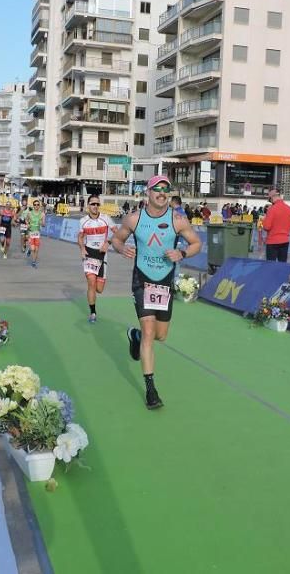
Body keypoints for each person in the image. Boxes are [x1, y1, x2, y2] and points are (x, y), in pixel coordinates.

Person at [111, 175, 202, 410]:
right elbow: (117, 239)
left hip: (164, 282)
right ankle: (151, 389)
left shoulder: (178, 220)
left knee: (160, 335)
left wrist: (182, 254)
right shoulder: (133, 219)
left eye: (166, 190)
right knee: (150, 331)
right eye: (157, 189)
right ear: (148, 193)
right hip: (141, 279)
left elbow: (196, 243)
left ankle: (136, 336)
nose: (162, 193)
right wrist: (122, 249)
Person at [78, 195, 116, 323]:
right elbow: (80, 236)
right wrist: (82, 248)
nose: (95, 206)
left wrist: (108, 242)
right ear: (88, 205)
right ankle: (93, 312)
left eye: (97, 204)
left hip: (102, 255)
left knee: (99, 289)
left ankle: (93, 294)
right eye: (93, 204)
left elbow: (118, 232)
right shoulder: (83, 221)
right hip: (89, 254)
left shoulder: (106, 219)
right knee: (91, 283)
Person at [262, 186, 290, 262]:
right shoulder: (289, 209)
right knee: (282, 265)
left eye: (270, 200)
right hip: (285, 240)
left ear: (272, 198)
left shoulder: (272, 209)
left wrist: (264, 220)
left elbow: (267, 227)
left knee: (271, 266)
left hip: (272, 241)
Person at [26, 199, 46, 268]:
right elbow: (26, 219)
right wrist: (27, 224)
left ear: (39, 206)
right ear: (33, 206)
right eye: (35, 205)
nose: (36, 206)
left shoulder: (42, 214)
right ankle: (29, 249)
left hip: (37, 233)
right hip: (31, 232)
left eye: (38, 205)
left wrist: (42, 224)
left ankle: (34, 262)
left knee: (36, 249)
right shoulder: (30, 213)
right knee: (33, 249)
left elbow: (44, 224)